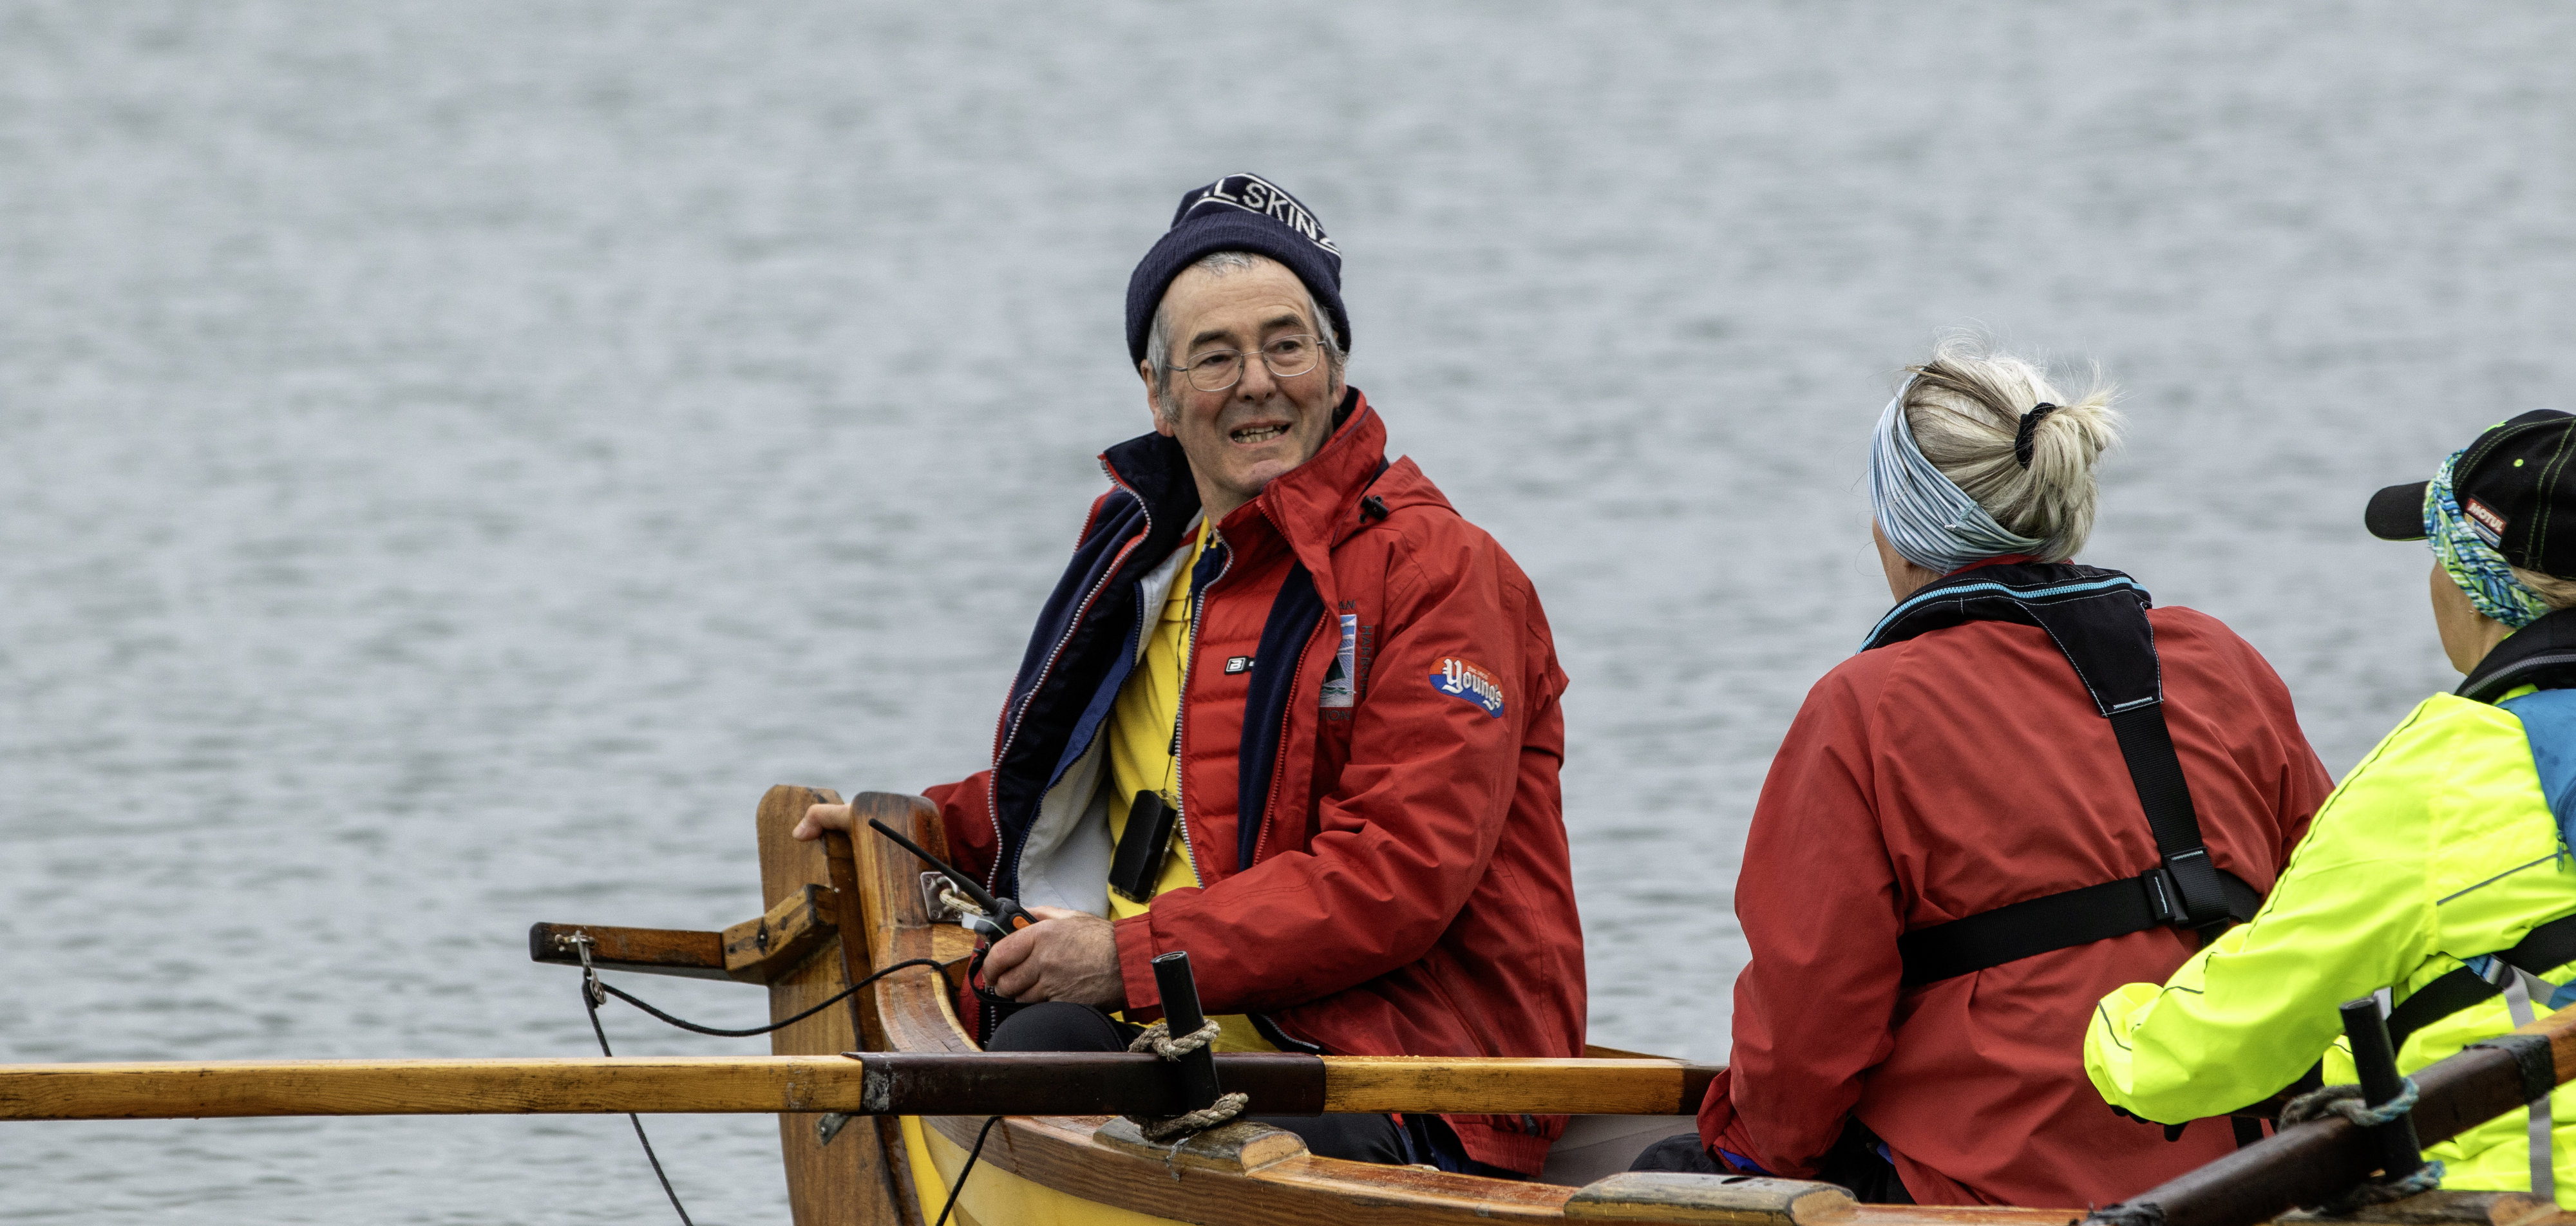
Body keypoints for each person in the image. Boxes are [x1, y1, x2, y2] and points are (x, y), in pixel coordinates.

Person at [794, 173, 1584, 1178]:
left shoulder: (1441, 571)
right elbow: (1093, 788)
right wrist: (902, 828)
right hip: (1184, 1036)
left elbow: (1397, 875)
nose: (1258, 382)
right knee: (1034, 1045)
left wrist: (1120, 958)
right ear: (1158, 397)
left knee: (1097, 1085)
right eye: (1216, 357)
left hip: (1404, 1079)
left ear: (1337, 368)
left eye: (1288, 346)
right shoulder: (1146, 559)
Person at [1634, 337, 2333, 1206]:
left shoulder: (1866, 707)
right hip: (2243, 1175)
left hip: (1987, 1186)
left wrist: (1755, 1154)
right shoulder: (2219, 659)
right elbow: (2330, 909)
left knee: (1656, 1179)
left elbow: (1812, 1010)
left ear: (1904, 530)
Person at [2085, 410, 2576, 1203]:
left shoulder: (2449, 770)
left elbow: (2227, 1033)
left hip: (2528, 1200)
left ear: (2476, 590)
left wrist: (2114, 1030)